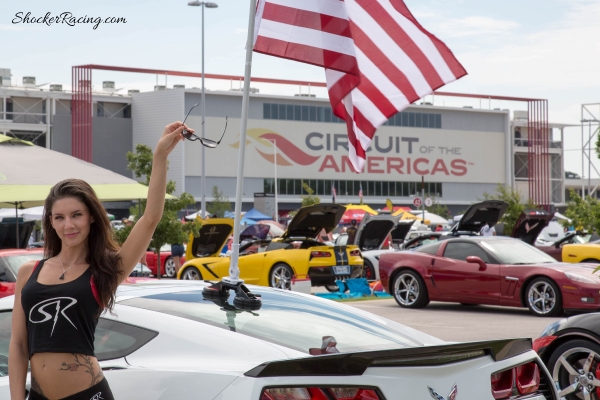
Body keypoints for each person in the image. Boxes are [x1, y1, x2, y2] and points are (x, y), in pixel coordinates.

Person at [9, 121, 188, 400]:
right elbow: (19, 345)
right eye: (59, 217)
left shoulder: (105, 269)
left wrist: (160, 156)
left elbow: (151, 217)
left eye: (76, 214)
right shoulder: (28, 272)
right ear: (51, 223)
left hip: (88, 394)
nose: (69, 224)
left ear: (91, 216)